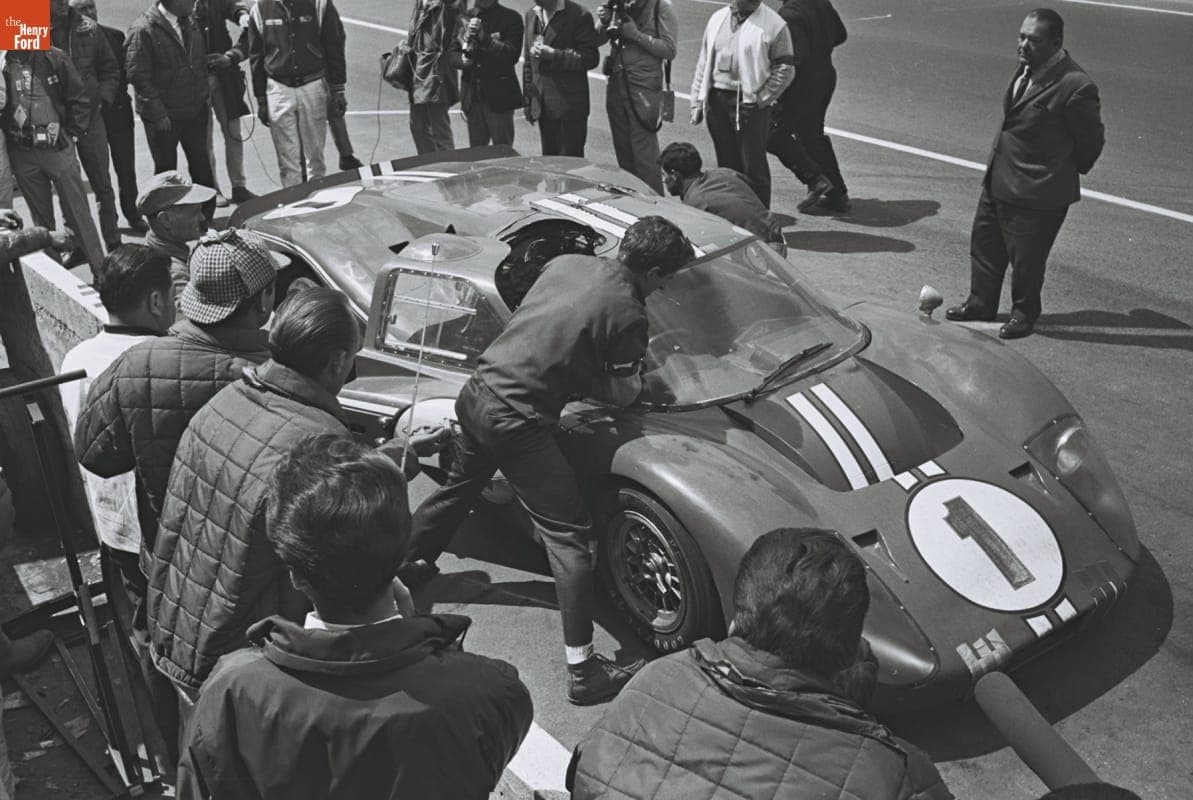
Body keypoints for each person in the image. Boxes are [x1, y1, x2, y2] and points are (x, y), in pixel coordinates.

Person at [406, 216, 694, 705]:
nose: (666, 287)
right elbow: (624, 393)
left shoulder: (566, 263)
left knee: (459, 488)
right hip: (518, 420)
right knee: (572, 540)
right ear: (654, 271)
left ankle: (403, 568)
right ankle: (584, 673)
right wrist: (646, 374)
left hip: (475, 395)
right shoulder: (629, 313)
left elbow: (552, 329)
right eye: (666, 277)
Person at [176, 434, 534, 800]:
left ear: (297, 575)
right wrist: (420, 638)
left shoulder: (233, 692)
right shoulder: (492, 691)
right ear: (400, 556)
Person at [74, 227, 274, 758]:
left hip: (166, 567)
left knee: (179, 685)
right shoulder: (271, 375)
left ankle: (181, 764)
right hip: (256, 578)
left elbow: (94, 453)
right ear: (261, 304)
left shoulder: (137, 363)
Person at [568, 529, 953, 799]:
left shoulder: (654, 681)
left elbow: (584, 774)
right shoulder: (898, 777)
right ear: (851, 650)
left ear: (737, 622)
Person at [946, 8, 1103, 340]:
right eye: (1021, 36)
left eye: (1033, 39)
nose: (1023, 45)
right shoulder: (1025, 68)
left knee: (1027, 262)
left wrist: (1056, 173)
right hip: (999, 178)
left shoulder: (1075, 85)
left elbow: (1091, 142)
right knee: (985, 246)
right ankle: (980, 303)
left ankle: (1024, 313)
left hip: (1037, 191)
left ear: (1056, 42)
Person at [60, 245, 175, 599]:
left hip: (114, 525)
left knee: (140, 617)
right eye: (173, 295)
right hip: (164, 531)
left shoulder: (75, 360)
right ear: (156, 302)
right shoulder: (169, 361)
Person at [1, 47, 107, 271]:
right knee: (41, 221)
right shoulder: (2, 63)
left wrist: (73, 133)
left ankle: (101, 272)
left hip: (58, 149)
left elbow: (78, 95)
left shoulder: (54, 57)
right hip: (22, 151)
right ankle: (57, 277)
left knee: (79, 214)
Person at [689, 0, 794, 208]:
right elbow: (704, 61)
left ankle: (761, 220)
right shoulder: (717, 18)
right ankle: (735, 215)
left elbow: (786, 67)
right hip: (717, 101)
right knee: (727, 169)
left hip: (748, 105)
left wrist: (762, 98)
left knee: (753, 167)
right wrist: (697, 101)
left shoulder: (774, 24)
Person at [125, 0, 218, 218]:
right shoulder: (142, 30)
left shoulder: (192, 22)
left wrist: (203, 95)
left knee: (202, 168)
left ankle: (206, 218)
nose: (195, 3)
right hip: (164, 118)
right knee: (167, 175)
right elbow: (138, 75)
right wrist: (159, 114)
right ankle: (167, 222)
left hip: (195, 111)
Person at [69, 0, 148, 233]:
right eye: (82, 9)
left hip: (117, 111)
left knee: (126, 167)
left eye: (91, 6)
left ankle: (132, 213)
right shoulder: (68, 40)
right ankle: (109, 218)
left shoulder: (114, 36)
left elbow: (122, 73)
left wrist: (108, 98)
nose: (88, 12)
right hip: (89, 117)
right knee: (100, 176)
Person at [248, 0, 348, 186]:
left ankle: (317, 202)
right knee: (288, 161)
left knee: (315, 158)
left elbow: (335, 45)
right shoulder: (260, 9)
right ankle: (293, 206)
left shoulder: (320, 4)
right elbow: (256, 57)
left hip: (313, 85)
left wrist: (338, 89)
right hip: (278, 88)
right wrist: (261, 99)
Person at [50, 0, 122, 250]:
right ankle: (77, 246)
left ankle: (113, 242)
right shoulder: (26, 25)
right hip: (55, 125)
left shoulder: (88, 28)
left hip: (91, 118)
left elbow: (110, 69)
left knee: (102, 183)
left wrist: (102, 99)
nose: (59, 3)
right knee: (66, 188)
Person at [768, 0, 850, 213]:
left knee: (772, 133)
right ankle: (836, 193)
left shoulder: (788, 14)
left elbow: (796, 57)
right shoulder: (819, 2)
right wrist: (820, 47)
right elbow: (841, 34)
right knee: (811, 135)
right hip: (825, 75)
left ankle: (815, 178)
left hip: (802, 83)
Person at [595, 0, 677, 193]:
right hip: (617, 81)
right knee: (622, 147)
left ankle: (652, 203)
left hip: (643, 85)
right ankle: (630, 199)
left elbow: (669, 49)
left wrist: (636, 35)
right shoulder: (617, 4)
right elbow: (595, 40)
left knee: (644, 153)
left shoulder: (660, 6)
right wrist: (603, 22)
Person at [660, 141, 786, 250]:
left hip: (763, 250)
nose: (663, 180)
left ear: (674, 176)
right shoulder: (724, 172)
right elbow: (751, 185)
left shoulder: (696, 202)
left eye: (664, 175)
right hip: (775, 234)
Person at [522, 0, 601, 157]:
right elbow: (528, 63)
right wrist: (529, 101)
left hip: (569, 110)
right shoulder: (531, 14)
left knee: (570, 170)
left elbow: (590, 58)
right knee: (549, 167)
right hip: (543, 107)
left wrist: (554, 55)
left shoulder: (579, 15)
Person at [198, 0, 256, 206]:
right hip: (196, 78)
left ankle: (239, 185)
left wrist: (241, 14)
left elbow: (232, 5)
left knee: (234, 133)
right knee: (203, 138)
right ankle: (212, 188)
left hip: (224, 75)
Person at [450, 0, 523, 148]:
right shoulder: (463, 18)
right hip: (473, 96)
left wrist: (484, 38)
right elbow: (452, 53)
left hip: (499, 98)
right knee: (477, 154)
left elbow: (512, 55)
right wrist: (464, 60)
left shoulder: (510, 17)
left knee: (502, 151)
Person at [137, 170, 216, 305]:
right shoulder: (174, 275)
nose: (202, 218)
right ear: (166, 220)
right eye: (195, 212)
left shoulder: (158, 247)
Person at [400, 0, 460, 154]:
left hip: (436, 74)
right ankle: (429, 164)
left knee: (439, 129)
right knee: (417, 126)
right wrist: (408, 47)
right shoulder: (421, 2)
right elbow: (414, 34)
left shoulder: (448, 6)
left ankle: (448, 169)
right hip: (419, 73)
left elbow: (448, 31)